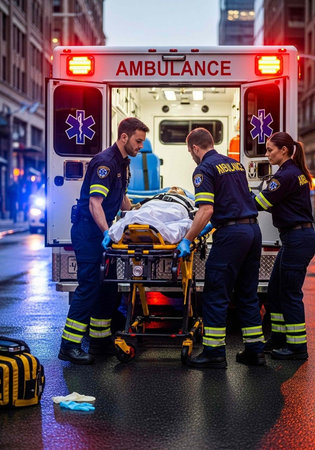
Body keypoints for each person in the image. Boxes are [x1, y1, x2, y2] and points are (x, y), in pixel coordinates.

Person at [58, 117, 149, 364]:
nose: (141, 146)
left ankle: (100, 340)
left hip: (100, 231)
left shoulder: (122, 163)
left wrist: (136, 215)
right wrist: (108, 232)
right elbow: (94, 202)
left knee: (108, 286)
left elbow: (121, 197)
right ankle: (70, 344)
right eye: (138, 141)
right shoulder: (105, 163)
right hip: (89, 232)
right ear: (124, 137)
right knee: (88, 286)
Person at [177, 127, 265, 369]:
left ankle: (214, 353)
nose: (192, 156)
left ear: (195, 148)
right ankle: (255, 351)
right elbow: (233, 200)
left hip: (231, 236)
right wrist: (208, 228)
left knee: (216, 292)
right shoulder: (235, 164)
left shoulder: (203, 169)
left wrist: (188, 237)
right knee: (248, 294)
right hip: (252, 231)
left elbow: (206, 209)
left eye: (190, 152)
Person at [253, 132, 315, 360]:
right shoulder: (292, 173)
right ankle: (279, 337)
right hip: (296, 238)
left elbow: (260, 202)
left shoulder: (285, 175)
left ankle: (297, 347)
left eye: (270, 150)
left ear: (284, 151)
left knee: (289, 293)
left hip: (297, 239)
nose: (267, 154)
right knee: (276, 290)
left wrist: (234, 201)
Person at [107, 186, 195, 245]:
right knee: (143, 213)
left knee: (148, 215)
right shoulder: (155, 197)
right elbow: (133, 209)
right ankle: (146, 229)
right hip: (150, 206)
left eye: (179, 189)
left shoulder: (189, 201)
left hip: (175, 209)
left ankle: (140, 228)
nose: (174, 188)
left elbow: (199, 214)